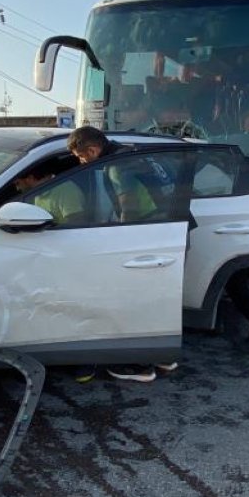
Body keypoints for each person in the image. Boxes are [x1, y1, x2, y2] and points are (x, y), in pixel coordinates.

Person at [66, 126, 177, 383]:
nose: (82, 163)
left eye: (81, 157)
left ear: (93, 150)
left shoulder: (117, 166)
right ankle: (162, 356)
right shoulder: (134, 153)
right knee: (155, 299)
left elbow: (129, 205)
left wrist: (121, 243)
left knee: (132, 299)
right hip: (170, 229)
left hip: (149, 233)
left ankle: (137, 365)